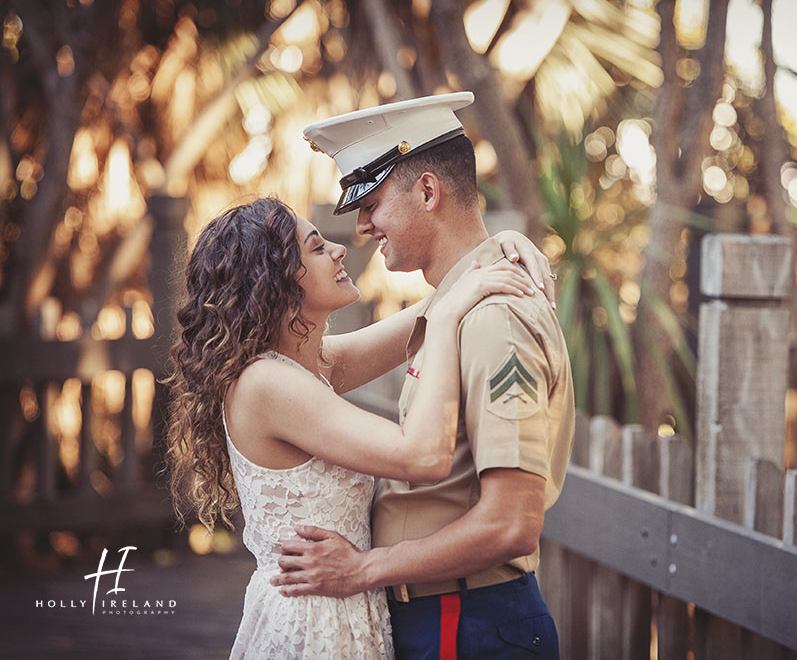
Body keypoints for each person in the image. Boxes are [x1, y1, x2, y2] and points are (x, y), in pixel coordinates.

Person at [164, 196, 554, 660]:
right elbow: (424, 456)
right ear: (275, 281)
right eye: (315, 247)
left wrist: (505, 244)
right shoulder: (267, 384)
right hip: (312, 623)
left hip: (346, 607)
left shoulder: (309, 366)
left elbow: (443, 295)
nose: (339, 248)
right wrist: (448, 322)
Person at [273, 92, 575, 659]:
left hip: (467, 623)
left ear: (429, 191)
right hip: (442, 617)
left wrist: (364, 569)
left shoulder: (494, 319)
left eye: (373, 202)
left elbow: (512, 523)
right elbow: (320, 367)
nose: (361, 226)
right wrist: (491, 255)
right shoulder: (458, 305)